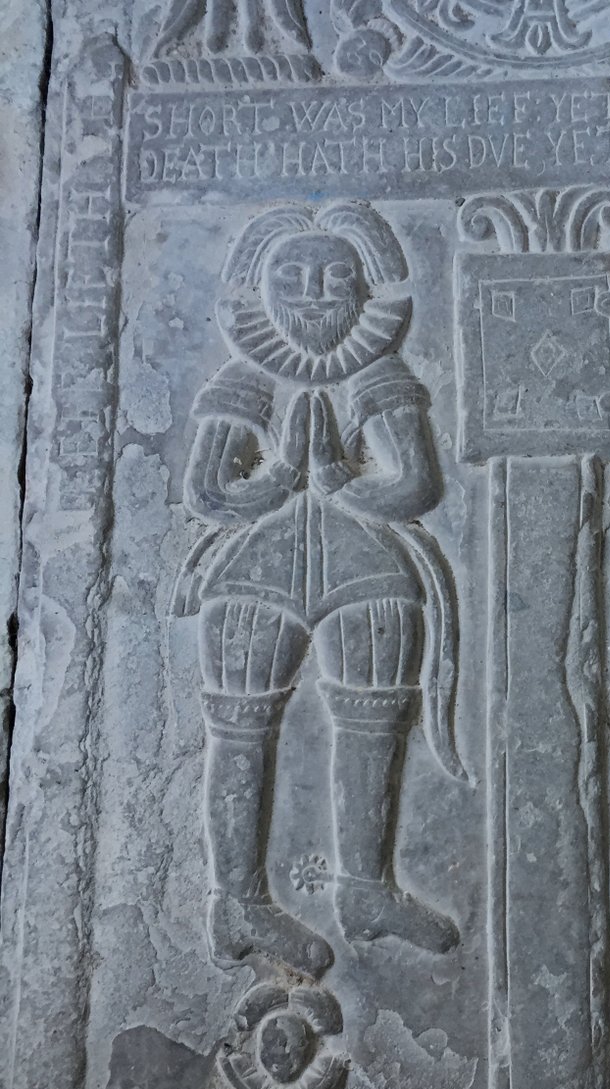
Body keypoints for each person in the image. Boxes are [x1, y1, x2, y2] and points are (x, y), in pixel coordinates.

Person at [175, 202, 463, 977]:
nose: (312, 292)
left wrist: (340, 479)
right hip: (255, 570)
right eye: (294, 278)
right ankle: (237, 902)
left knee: (374, 720)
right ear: (263, 290)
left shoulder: (378, 373)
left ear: (362, 290)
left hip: (365, 563)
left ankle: (364, 889)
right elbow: (207, 491)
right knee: (240, 729)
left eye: (333, 277)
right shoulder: (248, 374)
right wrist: (273, 480)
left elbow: (415, 483)